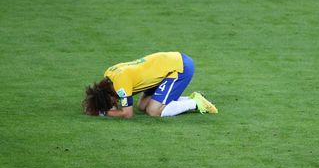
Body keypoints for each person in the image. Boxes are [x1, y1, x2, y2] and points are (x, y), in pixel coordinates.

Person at [83, 51, 218, 118]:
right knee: (142, 106)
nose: (115, 103)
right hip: (164, 67)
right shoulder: (110, 73)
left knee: (153, 111)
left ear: (109, 97)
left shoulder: (121, 86)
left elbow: (128, 114)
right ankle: (191, 98)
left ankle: (197, 103)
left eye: (112, 103)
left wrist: (102, 112)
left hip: (179, 67)